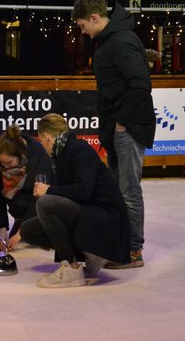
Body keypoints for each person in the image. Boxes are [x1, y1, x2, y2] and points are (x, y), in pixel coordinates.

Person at [72, 0, 156, 268]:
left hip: (128, 126)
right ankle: (122, 245)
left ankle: (133, 250)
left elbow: (141, 85)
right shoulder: (111, 41)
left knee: (128, 190)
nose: (82, 31)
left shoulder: (120, 41)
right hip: (117, 126)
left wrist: (122, 122)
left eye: (83, 25)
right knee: (117, 190)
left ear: (95, 18)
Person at [20, 113, 131, 288]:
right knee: (28, 229)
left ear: (47, 138)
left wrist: (48, 189)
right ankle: (88, 254)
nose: (42, 146)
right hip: (89, 214)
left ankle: (72, 269)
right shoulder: (62, 155)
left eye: (42, 142)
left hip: (107, 221)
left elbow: (83, 192)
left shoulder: (79, 149)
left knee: (45, 203)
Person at [0, 124, 53, 251]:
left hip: (43, 195)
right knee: (18, 204)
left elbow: (39, 196)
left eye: (9, 163)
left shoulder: (37, 154)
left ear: (21, 155)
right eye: (2, 163)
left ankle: (37, 225)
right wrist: (2, 229)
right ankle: (20, 220)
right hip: (20, 197)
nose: (5, 167)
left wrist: (21, 233)